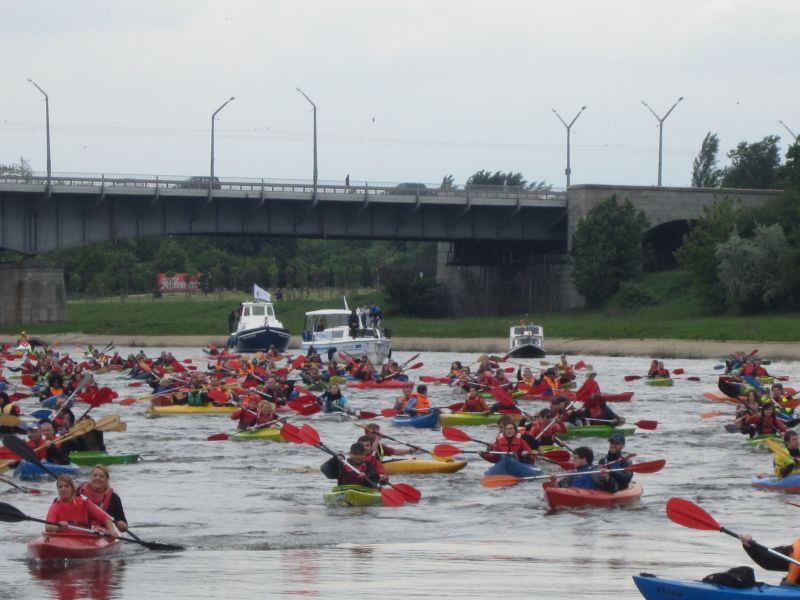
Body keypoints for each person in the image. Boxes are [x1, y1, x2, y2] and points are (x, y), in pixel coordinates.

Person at [46, 475, 117, 536]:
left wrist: (112, 531)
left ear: (72, 489)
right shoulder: (54, 507)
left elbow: (105, 518)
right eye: (60, 487)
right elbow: (48, 527)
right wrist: (58, 526)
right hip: (62, 539)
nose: (63, 489)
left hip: (84, 538)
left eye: (67, 486)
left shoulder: (84, 503)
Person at [78, 465, 128, 532]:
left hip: (103, 532)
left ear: (107, 479)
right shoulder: (78, 492)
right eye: (95, 475)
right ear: (90, 477)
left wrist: (122, 526)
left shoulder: (114, 498)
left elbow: (122, 524)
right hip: (80, 529)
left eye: (101, 476)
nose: (97, 478)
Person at [320, 442, 387, 489]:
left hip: (365, 490)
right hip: (344, 489)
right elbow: (324, 469)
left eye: (360, 454)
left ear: (364, 455)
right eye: (355, 454)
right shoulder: (342, 464)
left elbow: (375, 477)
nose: (357, 456)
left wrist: (366, 474)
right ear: (350, 454)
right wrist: (334, 459)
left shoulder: (367, 465)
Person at [549, 446, 617, 492]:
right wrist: (554, 481)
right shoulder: (572, 474)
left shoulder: (595, 471)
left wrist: (607, 477)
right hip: (574, 499)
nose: (572, 460)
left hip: (590, 501)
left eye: (575, 458)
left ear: (584, 459)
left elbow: (612, 490)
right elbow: (559, 489)